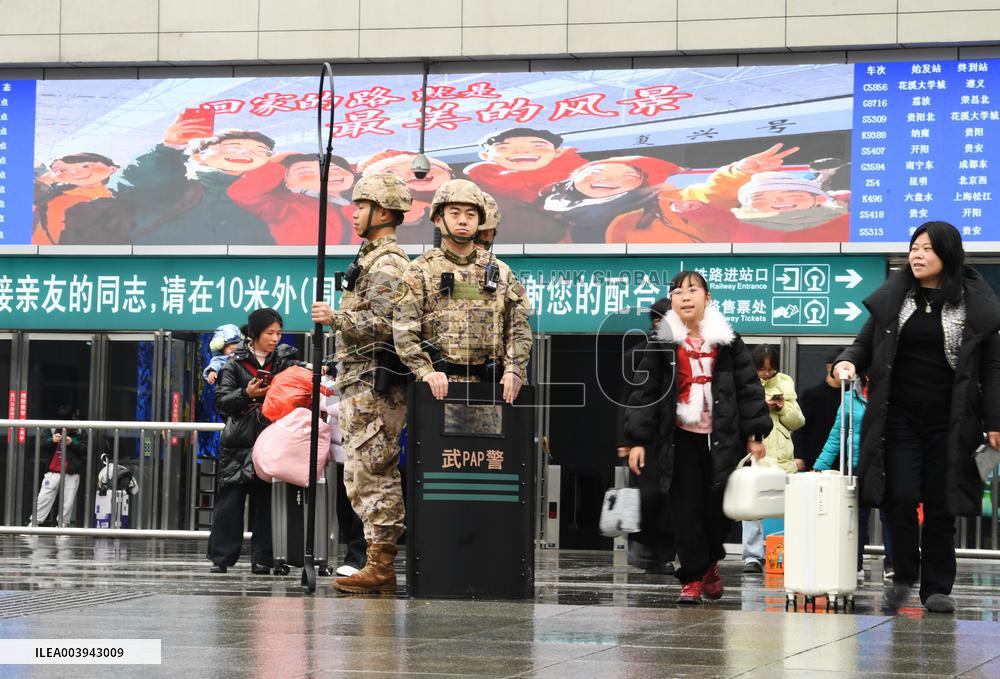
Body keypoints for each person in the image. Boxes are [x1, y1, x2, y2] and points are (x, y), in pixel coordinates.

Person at [833, 220, 1000, 614]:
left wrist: (994, 422)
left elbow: (993, 368)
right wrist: (846, 363)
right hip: (899, 418)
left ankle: (937, 587)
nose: (917, 255)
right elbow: (863, 343)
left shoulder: (976, 304)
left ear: (948, 254)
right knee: (900, 496)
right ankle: (904, 575)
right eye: (914, 248)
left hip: (953, 420)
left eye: (927, 248)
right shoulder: (895, 297)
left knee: (942, 504)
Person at [623, 271, 771, 604]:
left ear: (708, 298)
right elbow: (645, 391)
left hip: (723, 438)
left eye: (693, 290)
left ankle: (710, 563)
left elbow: (748, 388)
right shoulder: (661, 342)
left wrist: (754, 433)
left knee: (718, 513)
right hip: (679, 439)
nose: (685, 296)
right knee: (686, 511)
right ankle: (691, 578)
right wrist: (637, 439)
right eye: (677, 291)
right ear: (672, 302)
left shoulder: (728, 341)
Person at [311, 173, 413, 593]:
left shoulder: (388, 263)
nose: (353, 214)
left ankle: (381, 564)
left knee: (374, 471)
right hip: (358, 380)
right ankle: (376, 560)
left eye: (360, 206)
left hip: (375, 382)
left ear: (383, 211)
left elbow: (390, 324)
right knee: (359, 473)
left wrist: (338, 319)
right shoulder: (369, 258)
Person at [393, 179, 533, 421]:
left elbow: (519, 328)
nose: (463, 220)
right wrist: (425, 371)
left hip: (490, 393)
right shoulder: (420, 271)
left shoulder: (499, 271)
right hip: (438, 392)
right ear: (438, 219)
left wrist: (514, 369)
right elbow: (404, 330)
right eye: (454, 213)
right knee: (441, 459)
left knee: (489, 459)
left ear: (479, 221)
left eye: (471, 214)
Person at [209, 307, 299, 574]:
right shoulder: (234, 363)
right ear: (255, 333)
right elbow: (222, 403)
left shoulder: (284, 362)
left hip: (271, 441)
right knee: (230, 503)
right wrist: (247, 393)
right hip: (238, 442)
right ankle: (221, 559)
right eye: (270, 333)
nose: (275, 338)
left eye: (279, 333)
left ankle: (264, 559)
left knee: (266, 504)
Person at [112, 116, 277, 245]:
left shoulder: (261, 200)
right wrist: (168, 148)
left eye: (260, 150)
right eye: (232, 147)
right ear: (198, 156)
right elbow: (133, 184)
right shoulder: (179, 186)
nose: (245, 153)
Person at [615, 297, 676, 574]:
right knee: (649, 496)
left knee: (669, 498)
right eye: (656, 319)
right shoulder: (638, 353)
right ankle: (644, 546)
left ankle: (662, 554)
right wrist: (626, 440)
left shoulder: (681, 351)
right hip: (646, 437)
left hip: (673, 435)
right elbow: (628, 399)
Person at [813, 374, 894, 582]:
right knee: (857, 517)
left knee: (890, 515)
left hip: (886, 462)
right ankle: (854, 563)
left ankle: (892, 565)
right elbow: (836, 435)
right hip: (858, 463)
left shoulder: (891, 393)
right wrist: (820, 466)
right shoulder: (849, 398)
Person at [742, 344, 804, 574]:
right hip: (757, 453)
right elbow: (740, 414)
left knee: (790, 508)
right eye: (762, 369)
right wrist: (762, 405)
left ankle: (792, 553)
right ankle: (752, 556)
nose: (767, 374)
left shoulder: (786, 384)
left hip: (782, 455)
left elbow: (798, 421)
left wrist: (781, 408)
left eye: (771, 369)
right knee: (752, 509)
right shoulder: (746, 384)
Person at [228, 152, 358, 245]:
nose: (326, 174)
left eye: (334, 168)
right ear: (287, 183)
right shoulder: (285, 204)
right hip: (305, 267)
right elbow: (242, 193)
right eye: (305, 172)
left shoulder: (360, 206)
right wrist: (274, 164)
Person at [321, 360, 368, 577]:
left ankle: (359, 557)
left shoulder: (368, 366)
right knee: (345, 507)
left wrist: (325, 391)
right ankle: (354, 555)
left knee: (358, 507)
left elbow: (334, 405)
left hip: (363, 449)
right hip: (342, 451)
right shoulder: (338, 366)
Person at [33, 153, 119, 245]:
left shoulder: (113, 205)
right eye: (62, 170)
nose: (74, 172)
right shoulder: (53, 195)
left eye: (86, 166)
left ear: (112, 169)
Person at [27, 405, 87, 527]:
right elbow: (41, 445)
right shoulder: (51, 429)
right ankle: (34, 524)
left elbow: (85, 449)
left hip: (71, 471)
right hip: (53, 470)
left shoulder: (80, 431)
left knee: (68, 501)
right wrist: (52, 440)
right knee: (43, 498)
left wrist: (72, 443)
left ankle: (63, 526)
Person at [791, 348, 844, 472]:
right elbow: (800, 429)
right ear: (829, 367)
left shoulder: (849, 396)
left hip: (842, 461)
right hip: (815, 459)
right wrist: (799, 455)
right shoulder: (812, 395)